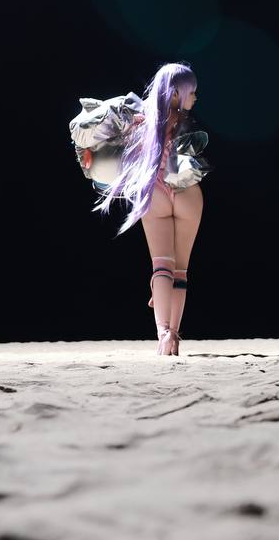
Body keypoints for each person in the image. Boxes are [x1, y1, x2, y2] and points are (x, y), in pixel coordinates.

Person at [69, 62, 210, 356]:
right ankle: (175, 335)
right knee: (180, 271)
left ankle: (164, 334)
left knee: (162, 267)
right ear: (176, 93)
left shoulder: (140, 119)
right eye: (191, 91)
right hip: (187, 193)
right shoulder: (188, 122)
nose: (195, 97)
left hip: (155, 194)